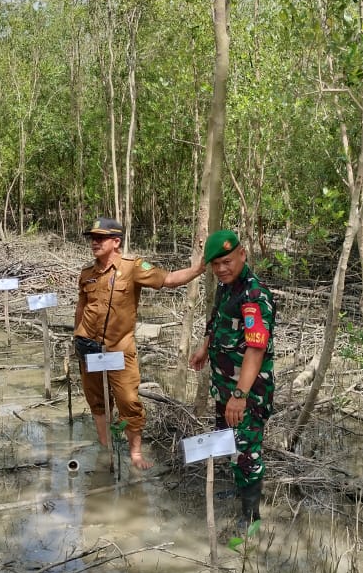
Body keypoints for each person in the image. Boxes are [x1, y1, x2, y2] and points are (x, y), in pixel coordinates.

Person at [74, 217, 205, 469]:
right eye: (92, 238)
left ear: (116, 241)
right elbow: (81, 307)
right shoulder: (87, 274)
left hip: (119, 351)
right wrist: (76, 336)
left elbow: (169, 279)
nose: (94, 242)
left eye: (100, 238)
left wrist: (198, 269)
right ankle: (105, 446)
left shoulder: (133, 267)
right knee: (97, 400)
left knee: (129, 402)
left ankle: (135, 453)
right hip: (88, 348)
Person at [189, 230, 275, 525]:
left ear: (242, 254)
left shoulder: (254, 295)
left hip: (247, 392)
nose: (221, 269)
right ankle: (238, 490)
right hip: (225, 386)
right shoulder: (227, 287)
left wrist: (240, 396)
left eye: (227, 261)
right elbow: (216, 320)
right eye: (215, 264)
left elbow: (256, 348)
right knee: (228, 440)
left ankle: (251, 519)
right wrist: (204, 348)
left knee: (247, 452)